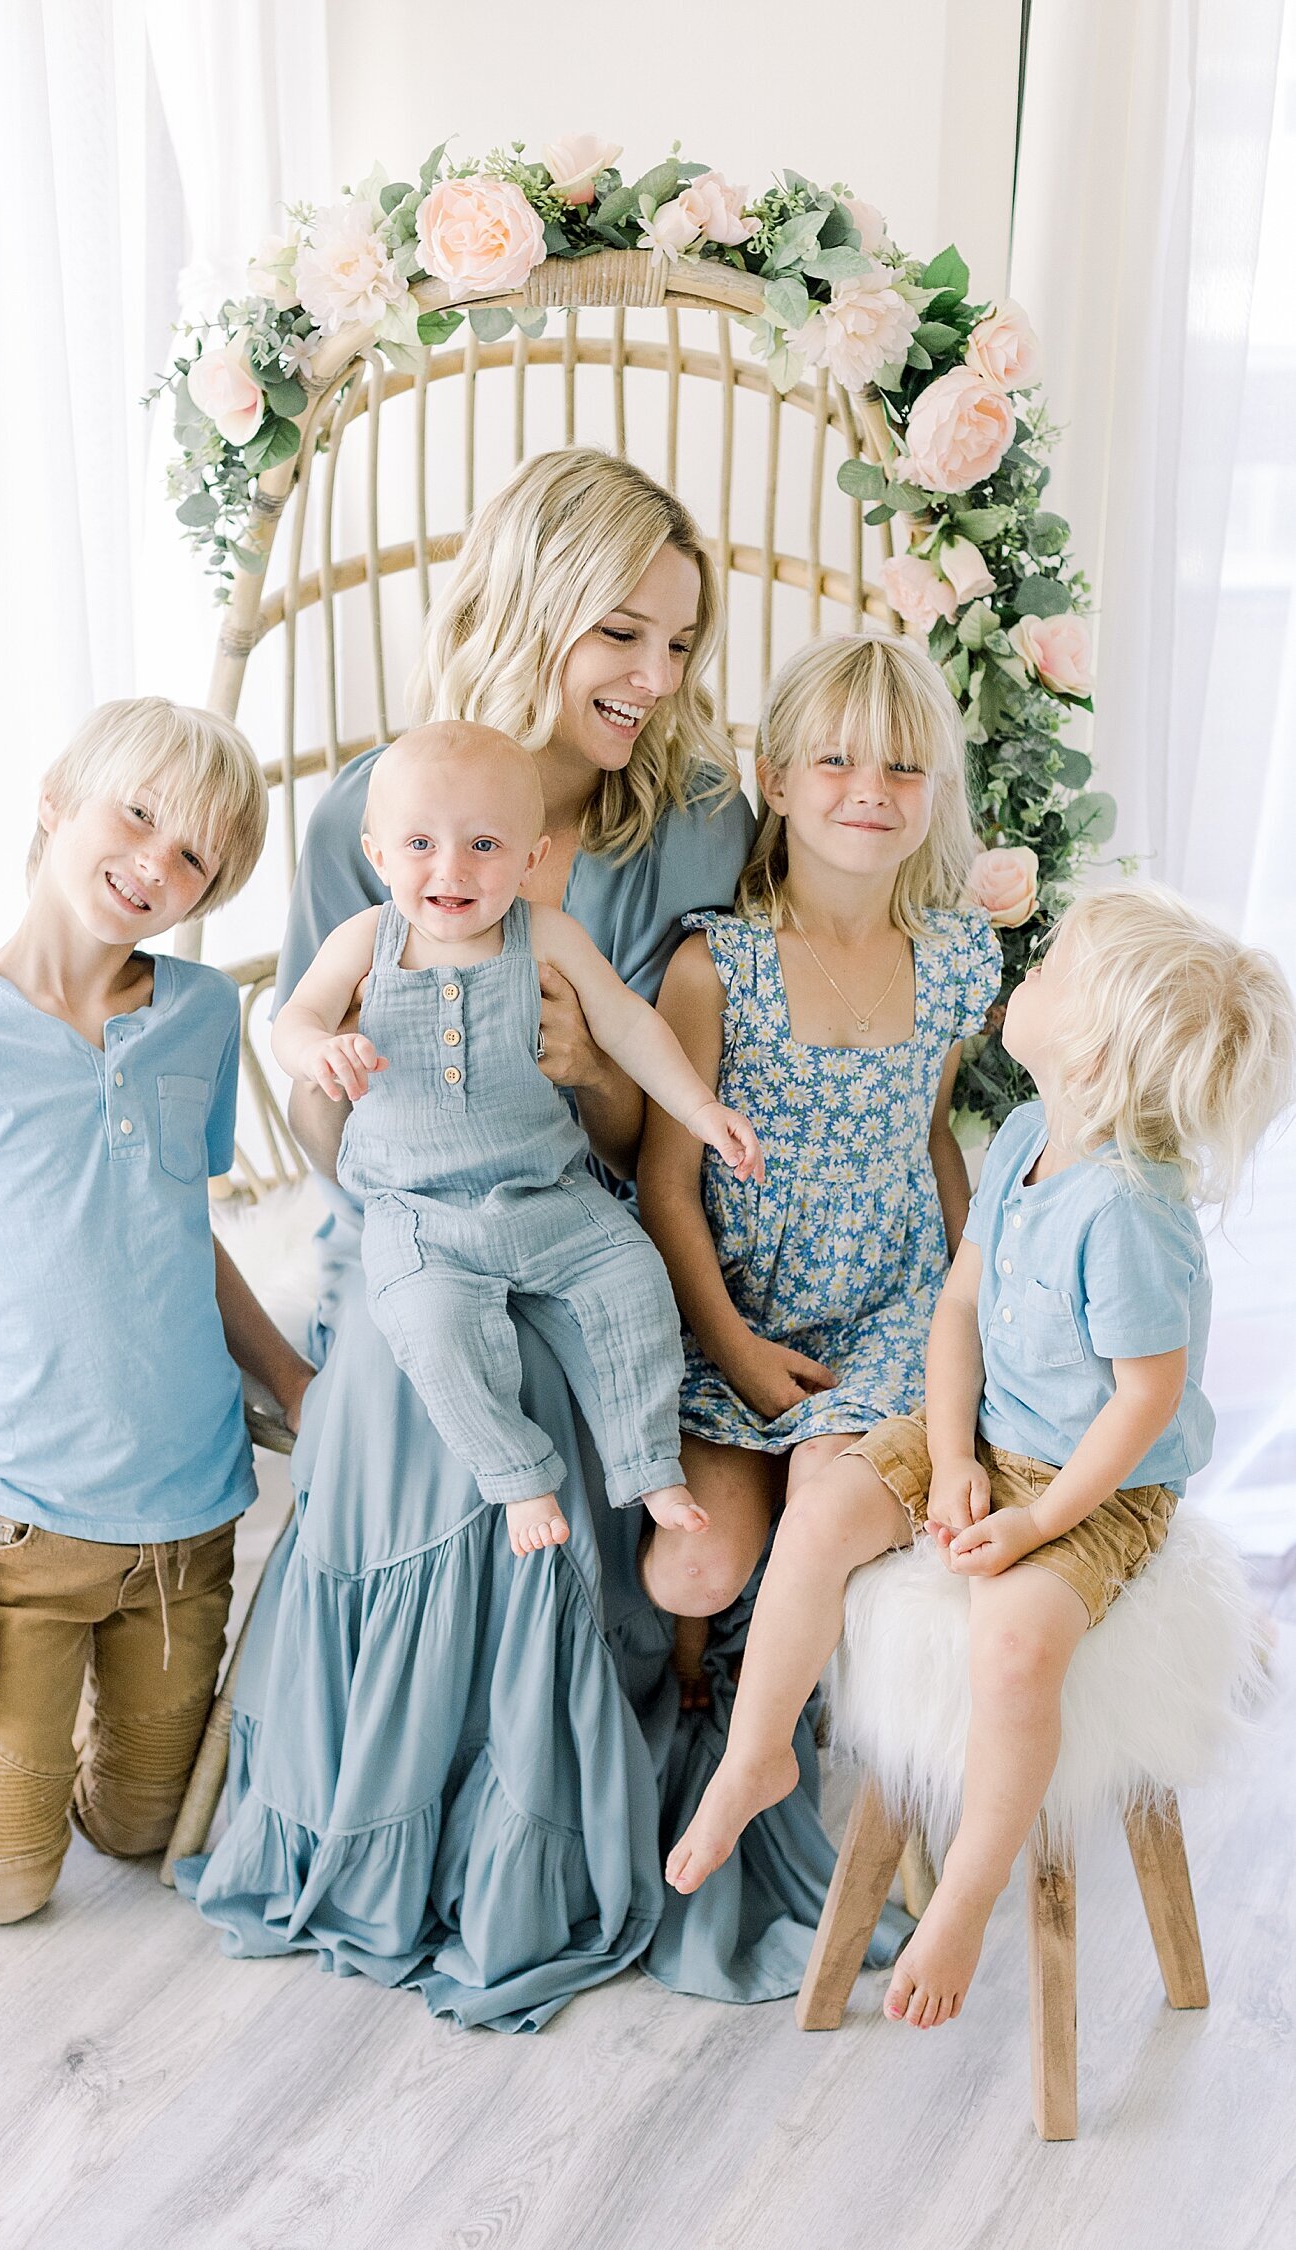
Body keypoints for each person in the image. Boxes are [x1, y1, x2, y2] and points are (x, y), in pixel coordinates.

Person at [185, 446, 1023, 2023]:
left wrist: (587, 1075)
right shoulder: (385, 811)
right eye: (620, 634)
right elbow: (322, 1132)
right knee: (419, 1391)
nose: (657, 677)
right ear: (531, 609)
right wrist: (348, 1080)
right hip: (417, 1216)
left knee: (599, 1393)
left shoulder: (693, 826)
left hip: (591, 1226)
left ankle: (571, 1825)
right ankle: (410, 1822)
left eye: (684, 642)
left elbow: (688, 1133)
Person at [665, 883, 1295, 2034]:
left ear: (1095, 1045)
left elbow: (1146, 1403)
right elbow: (958, 1308)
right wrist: (949, 1455)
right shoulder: (1019, 1140)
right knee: (821, 1519)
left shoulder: (1130, 1218)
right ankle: (757, 1754)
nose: (1028, 973)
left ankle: (969, 1886)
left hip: (1097, 1483)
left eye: (1052, 970)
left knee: (1013, 1647)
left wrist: (1040, 1524)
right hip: (988, 1427)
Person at [0, 698, 314, 1923]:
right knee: (2, 1888)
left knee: (142, 1830)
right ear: (58, 796)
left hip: (189, 1525)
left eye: (196, 856)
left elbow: (181, 1228)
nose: (157, 863)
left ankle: (76, 1731)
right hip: (19, 1540)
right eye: (141, 813)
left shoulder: (203, 1016)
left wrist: (294, 1378)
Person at [275, 721, 761, 1559]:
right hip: (419, 1214)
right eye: (420, 843)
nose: (451, 870)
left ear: (531, 859)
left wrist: (700, 1111)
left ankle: (645, 1457)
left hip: (551, 1195)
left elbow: (632, 1026)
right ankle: (515, 1475)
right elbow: (292, 1020)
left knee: (635, 1282)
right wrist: (320, 1050)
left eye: (484, 845)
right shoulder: (367, 942)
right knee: (430, 1328)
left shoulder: (549, 935)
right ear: (379, 853)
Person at [637, 636, 1001, 1693]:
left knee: (826, 1507)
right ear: (778, 779)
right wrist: (739, 1351)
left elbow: (933, 1140)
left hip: (883, 1319)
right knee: (694, 1571)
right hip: (731, 1317)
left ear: (934, 792)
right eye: (837, 761)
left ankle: (769, 1715)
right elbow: (667, 1184)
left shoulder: (954, 961)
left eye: (902, 767)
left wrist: (970, 1310)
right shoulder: (717, 967)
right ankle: (707, 1653)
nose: (870, 792)